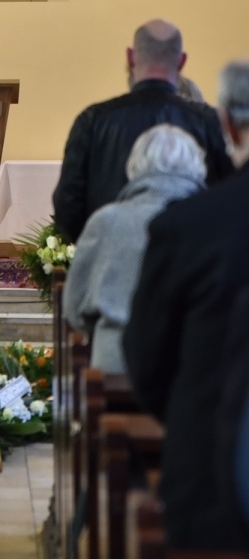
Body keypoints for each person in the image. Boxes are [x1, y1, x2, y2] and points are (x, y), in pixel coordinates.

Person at [123, 61, 249, 553]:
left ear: (227, 125)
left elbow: (147, 357)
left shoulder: (189, 226)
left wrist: (188, 416)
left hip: (212, 486)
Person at [52, 18, 232, 243]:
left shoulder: (93, 121)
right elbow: (230, 199)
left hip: (113, 254)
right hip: (189, 258)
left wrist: (99, 245)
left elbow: (68, 206)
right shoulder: (209, 122)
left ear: (130, 57)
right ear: (181, 61)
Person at [63, 124, 206, 374]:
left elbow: (75, 309)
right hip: (191, 371)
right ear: (198, 167)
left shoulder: (107, 221)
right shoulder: (214, 222)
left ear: (134, 166)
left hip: (116, 366)